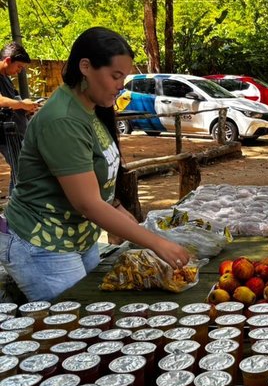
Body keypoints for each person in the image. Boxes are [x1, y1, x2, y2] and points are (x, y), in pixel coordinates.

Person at [0, 27, 190, 302]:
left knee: (96, 314)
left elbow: (94, 178)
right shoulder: (63, 119)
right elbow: (87, 203)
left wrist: (117, 208)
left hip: (78, 235)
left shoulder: (90, 108)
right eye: (115, 76)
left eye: (123, 77)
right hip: (42, 242)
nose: (121, 85)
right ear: (86, 67)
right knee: (73, 328)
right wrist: (156, 243)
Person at [0, 42, 40, 195]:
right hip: (4, 135)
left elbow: (12, 102)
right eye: (18, 67)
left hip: (12, 133)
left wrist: (27, 109)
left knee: (20, 170)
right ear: (8, 60)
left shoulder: (6, 78)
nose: (18, 71)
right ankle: (16, 210)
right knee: (21, 171)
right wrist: (22, 104)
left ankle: (14, 207)